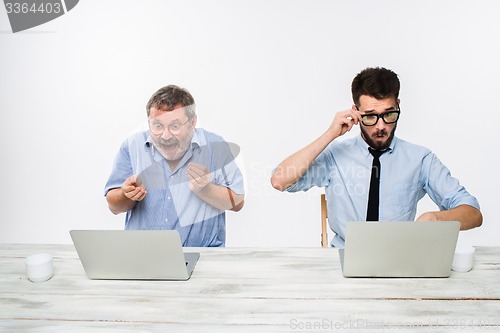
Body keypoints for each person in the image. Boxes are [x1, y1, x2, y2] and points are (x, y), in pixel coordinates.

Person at [271, 67, 482, 247]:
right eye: (370, 116)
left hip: (399, 263)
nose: (381, 127)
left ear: (398, 105)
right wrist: (330, 134)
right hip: (343, 259)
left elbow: (473, 213)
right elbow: (279, 180)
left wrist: (436, 218)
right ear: (356, 112)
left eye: (389, 114)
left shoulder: (420, 159)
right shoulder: (336, 156)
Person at [105, 85, 245, 247]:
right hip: (142, 258)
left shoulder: (215, 146)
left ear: (192, 122)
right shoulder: (132, 145)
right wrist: (125, 194)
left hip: (202, 259)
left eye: (175, 126)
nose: (165, 136)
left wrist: (206, 189)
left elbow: (237, 203)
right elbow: (113, 206)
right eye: (157, 126)